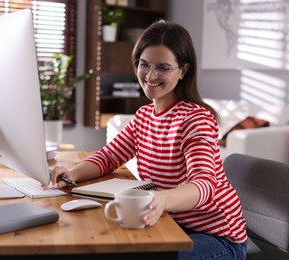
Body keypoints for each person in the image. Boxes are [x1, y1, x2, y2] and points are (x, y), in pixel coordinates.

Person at [50, 20, 247, 259]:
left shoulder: (196, 119)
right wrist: (73, 173)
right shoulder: (144, 116)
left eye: (163, 67)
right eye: (144, 65)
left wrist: (163, 199)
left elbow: (204, 184)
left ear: (183, 71)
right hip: (171, 222)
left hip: (217, 237)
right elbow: (110, 156)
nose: (151, 75)